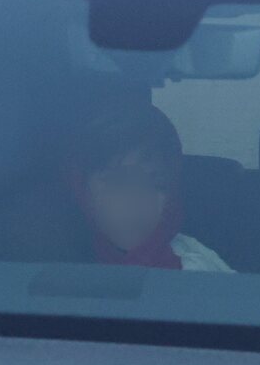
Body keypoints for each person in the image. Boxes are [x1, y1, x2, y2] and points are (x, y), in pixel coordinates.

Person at [67, 103, 232, 272]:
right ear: (81, 187)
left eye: (156, 184)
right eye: (118, 182)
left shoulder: (198, 273)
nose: (137, 201)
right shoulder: (52, 265)